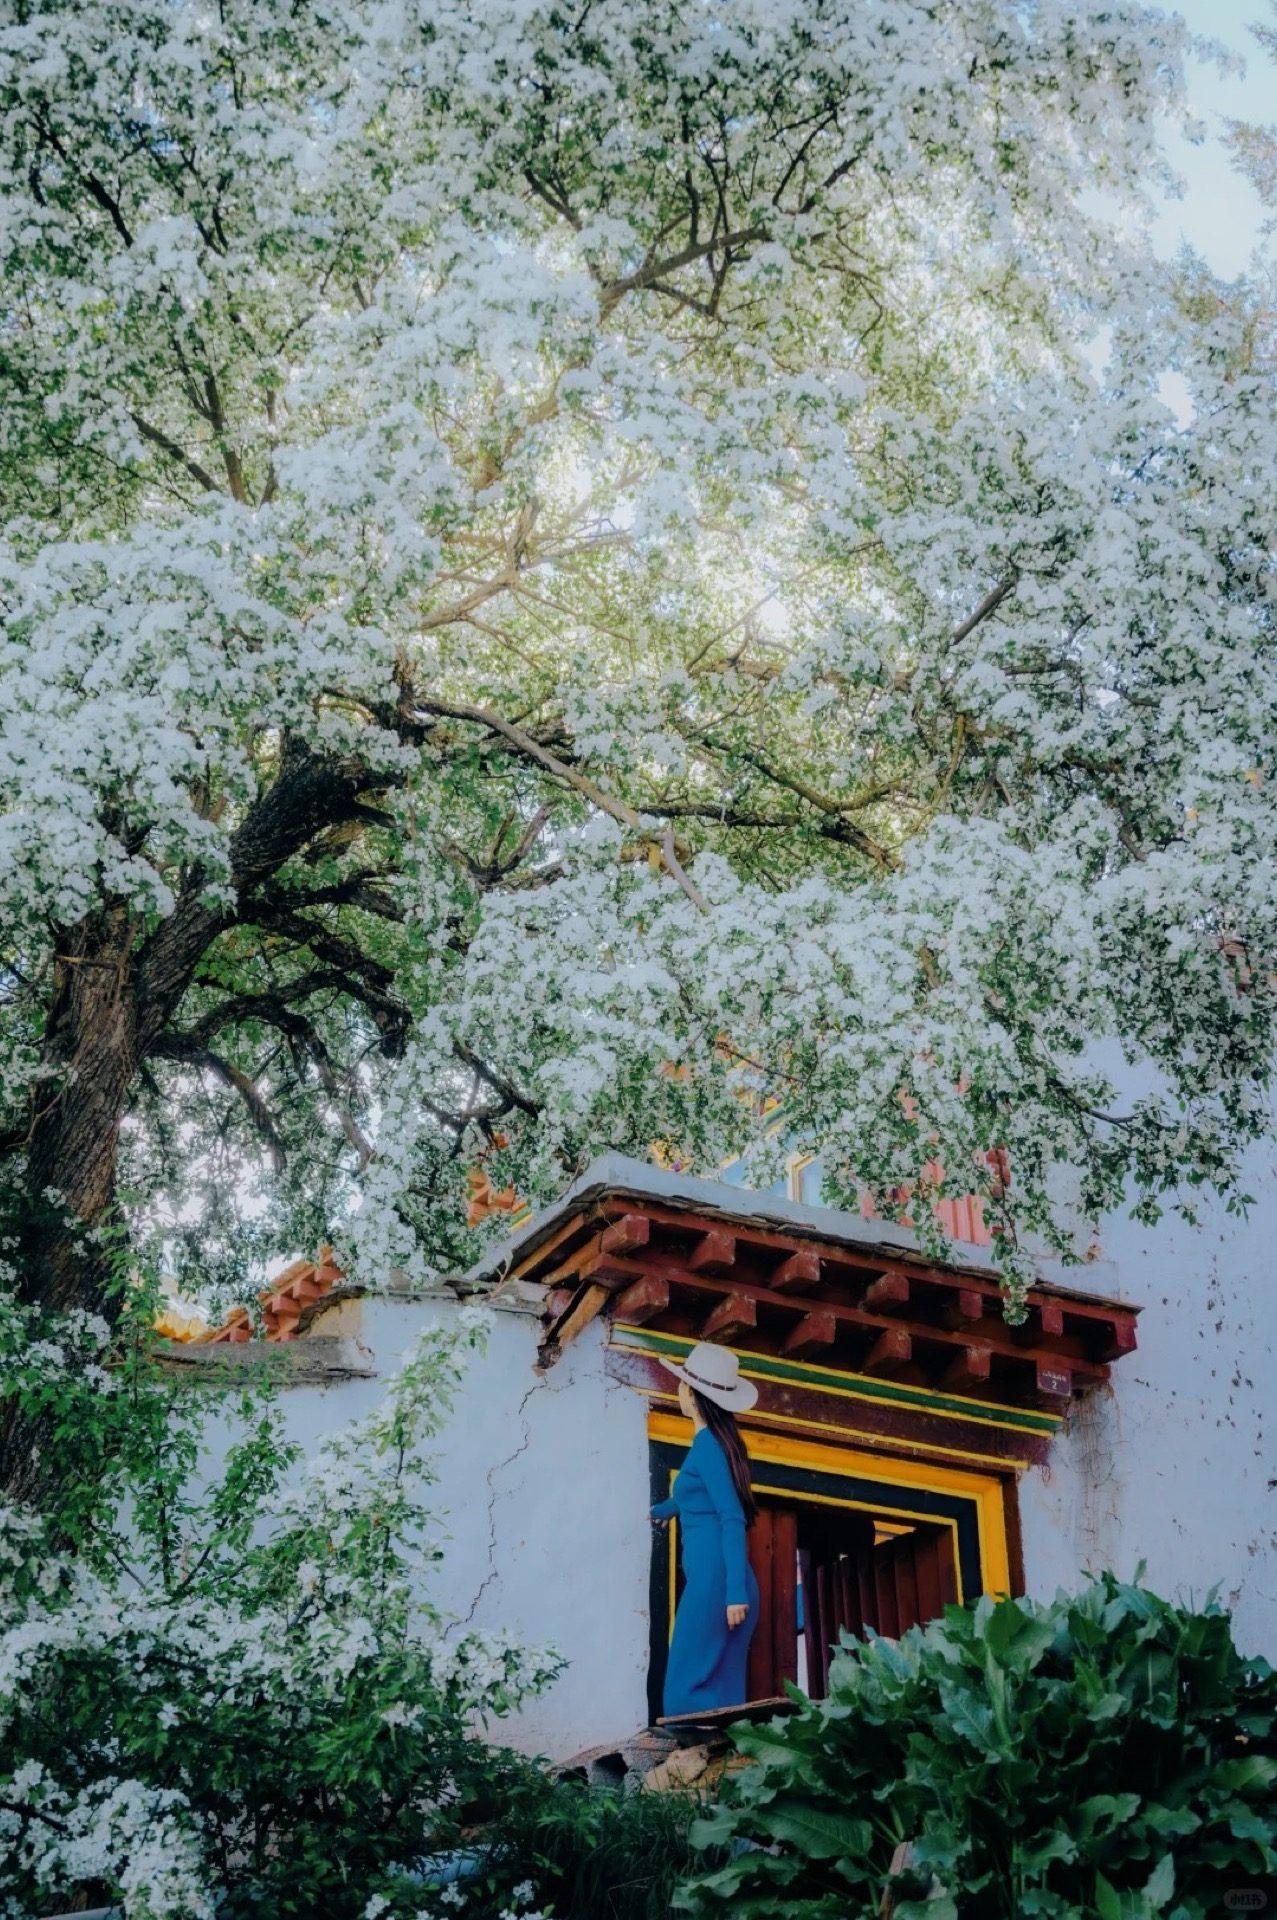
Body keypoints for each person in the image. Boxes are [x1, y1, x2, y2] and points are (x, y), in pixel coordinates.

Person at [649, 1341, 761, 1718]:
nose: (677, 1390)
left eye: (681, 1384)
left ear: (692, 1395)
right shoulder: (711, 1443)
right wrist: (663, 1509)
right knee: (717, 1690)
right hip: (719, 1578)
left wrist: (734, 1593)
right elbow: (697, 1496)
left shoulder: (709, 1446)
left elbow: (731, 1516)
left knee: (685, 1692)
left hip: (719, 1581)